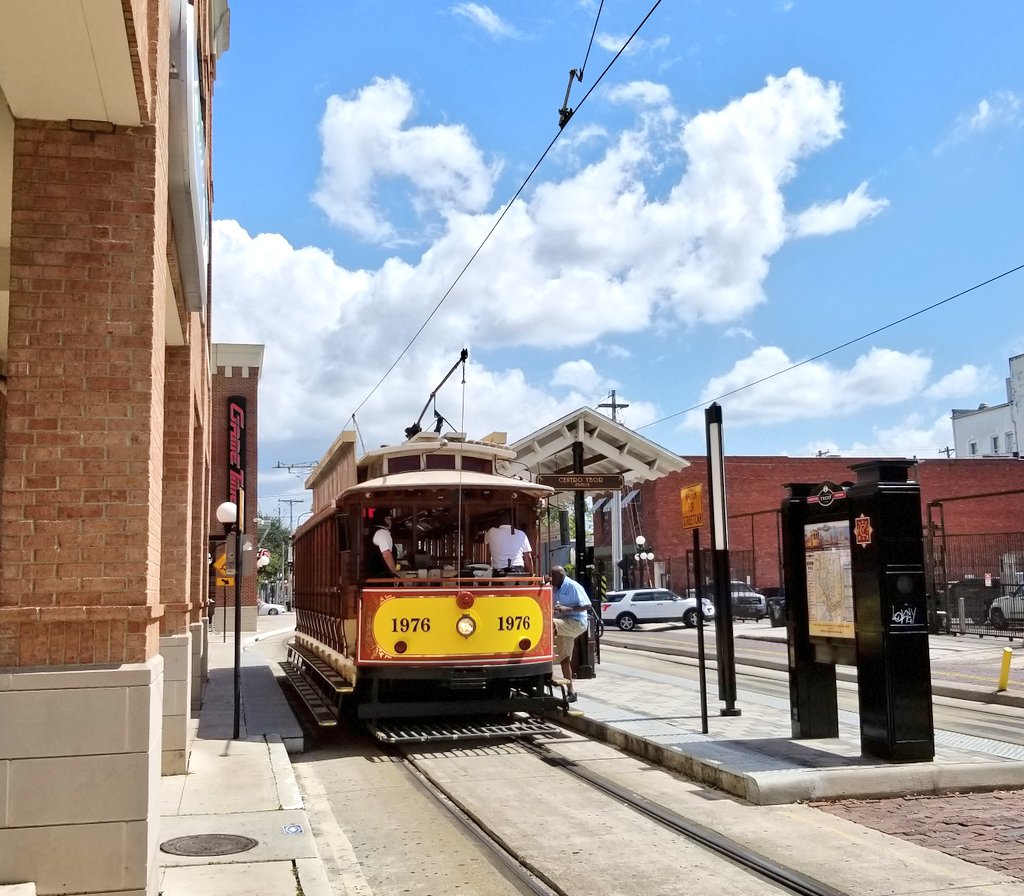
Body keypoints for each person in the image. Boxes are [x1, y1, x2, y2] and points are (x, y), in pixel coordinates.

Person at [550, 565, 591, 702]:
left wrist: (567, 609)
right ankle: (571, 691)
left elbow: (587, 605)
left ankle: (545, 659)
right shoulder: (554, 588)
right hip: (563, 624)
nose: (551, 579)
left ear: (560, 576)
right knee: (564, 658)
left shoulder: (573, 586)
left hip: (576, 622)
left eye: (553, 576)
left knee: (550, 624)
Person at [367, 508, 399, 578]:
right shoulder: (382, 533)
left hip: (374, 576)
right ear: (385, 519)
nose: (391, 520)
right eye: (389, 518)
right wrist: (395, 574)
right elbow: (386, 555)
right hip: (382, 577)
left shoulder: (374, 532)